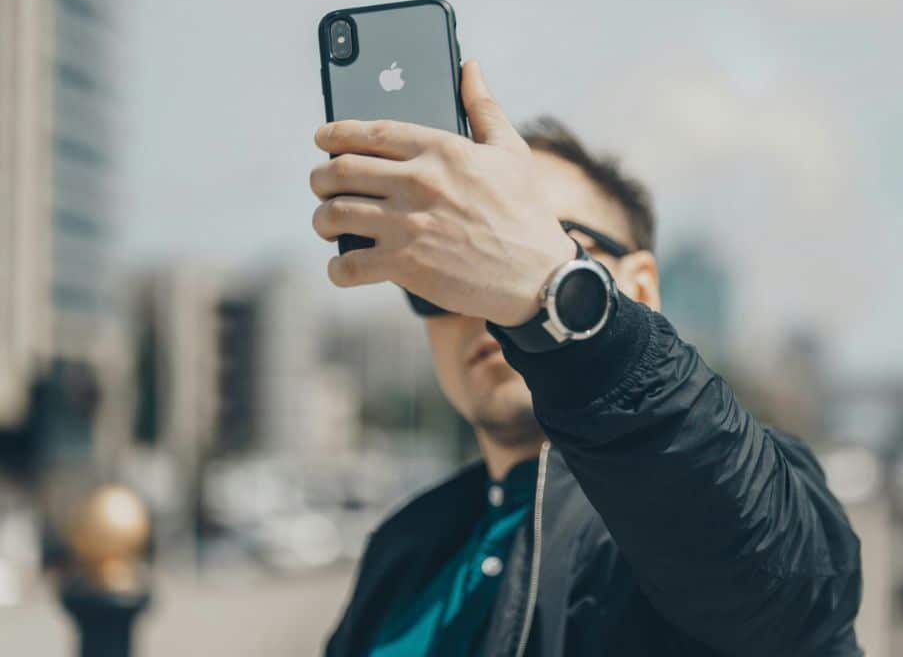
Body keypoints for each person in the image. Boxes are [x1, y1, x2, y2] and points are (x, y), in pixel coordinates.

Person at [311, 61, 863, 656]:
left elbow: (789, 594)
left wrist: (555, 297)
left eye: (516, 247)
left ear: (641, 288)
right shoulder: (403, 549)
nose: (480, 300)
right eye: (444, 269)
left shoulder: (710, 503)